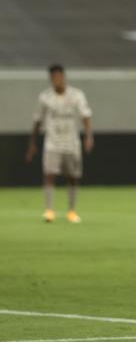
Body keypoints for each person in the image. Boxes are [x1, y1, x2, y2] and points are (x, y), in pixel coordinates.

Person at [25, 64, 94, 223]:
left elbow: (85, 115)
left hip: (71, 143)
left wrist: (89, 136)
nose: (56, 80)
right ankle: (49, 210)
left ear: (63, 77)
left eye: (58, 77)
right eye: (53, 77)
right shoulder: (45, 97)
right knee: (49, 174)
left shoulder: (76, 95)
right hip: (53, 143)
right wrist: (32, 142)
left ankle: (71, 211)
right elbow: (37, 120)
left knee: (73, 176)